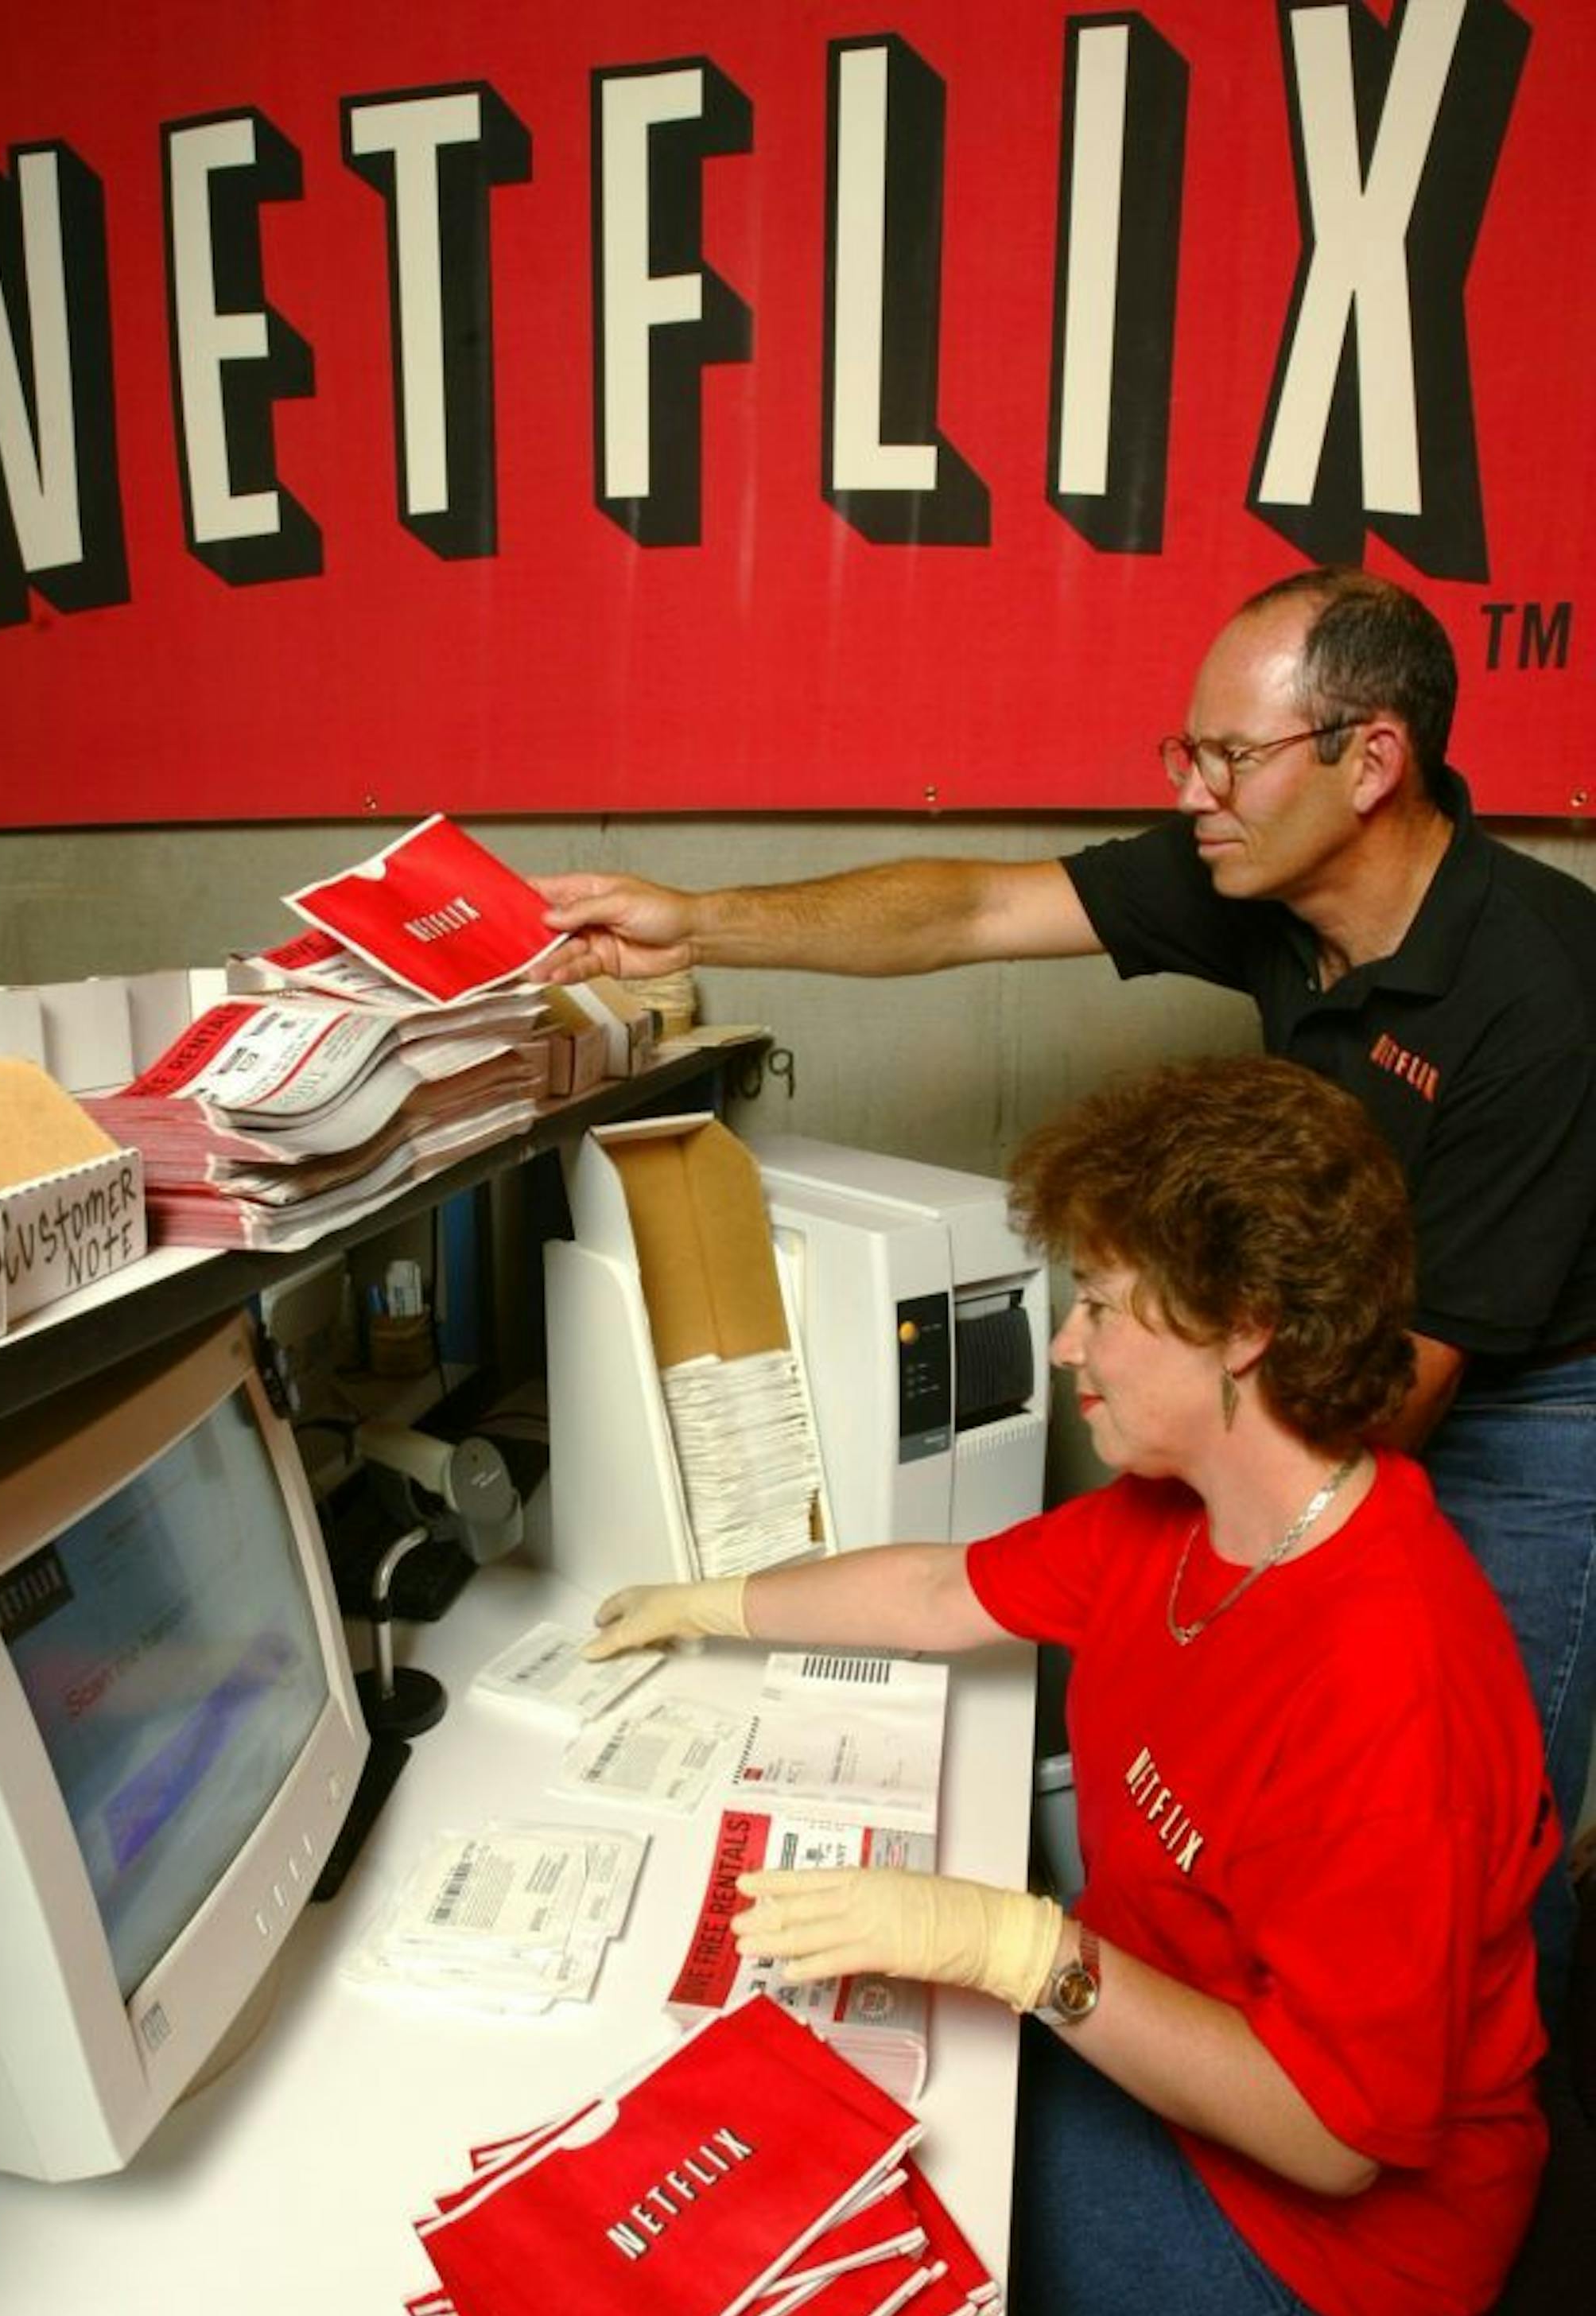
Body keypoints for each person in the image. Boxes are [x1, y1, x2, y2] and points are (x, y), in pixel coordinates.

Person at [536, 566, 1596, 2008]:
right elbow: (970, 906)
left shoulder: (1538, 995)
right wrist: (699, 922)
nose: (1195, 789)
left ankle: (1496, 2168)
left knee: (1481, 1825)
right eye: (1188, 751)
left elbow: (1392, 1401)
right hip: (1332, 1349)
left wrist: (1153, 1475)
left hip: (1523, 1390)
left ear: (1373, 761)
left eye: (1229, 755)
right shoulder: (1258, 871)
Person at [585, 1057, 1558, 2316]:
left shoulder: (1389, 1681)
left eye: (1099, 1304)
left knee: (795, 2241)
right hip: (1171, 2068)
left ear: (1247, 1327)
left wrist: (1018, 1947)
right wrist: (702, 1603)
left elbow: (1337, 2137)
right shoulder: (1186, 1511)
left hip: (1323, 2254)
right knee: (802, 2110)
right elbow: (940, 1588)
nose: (1063, 1344)